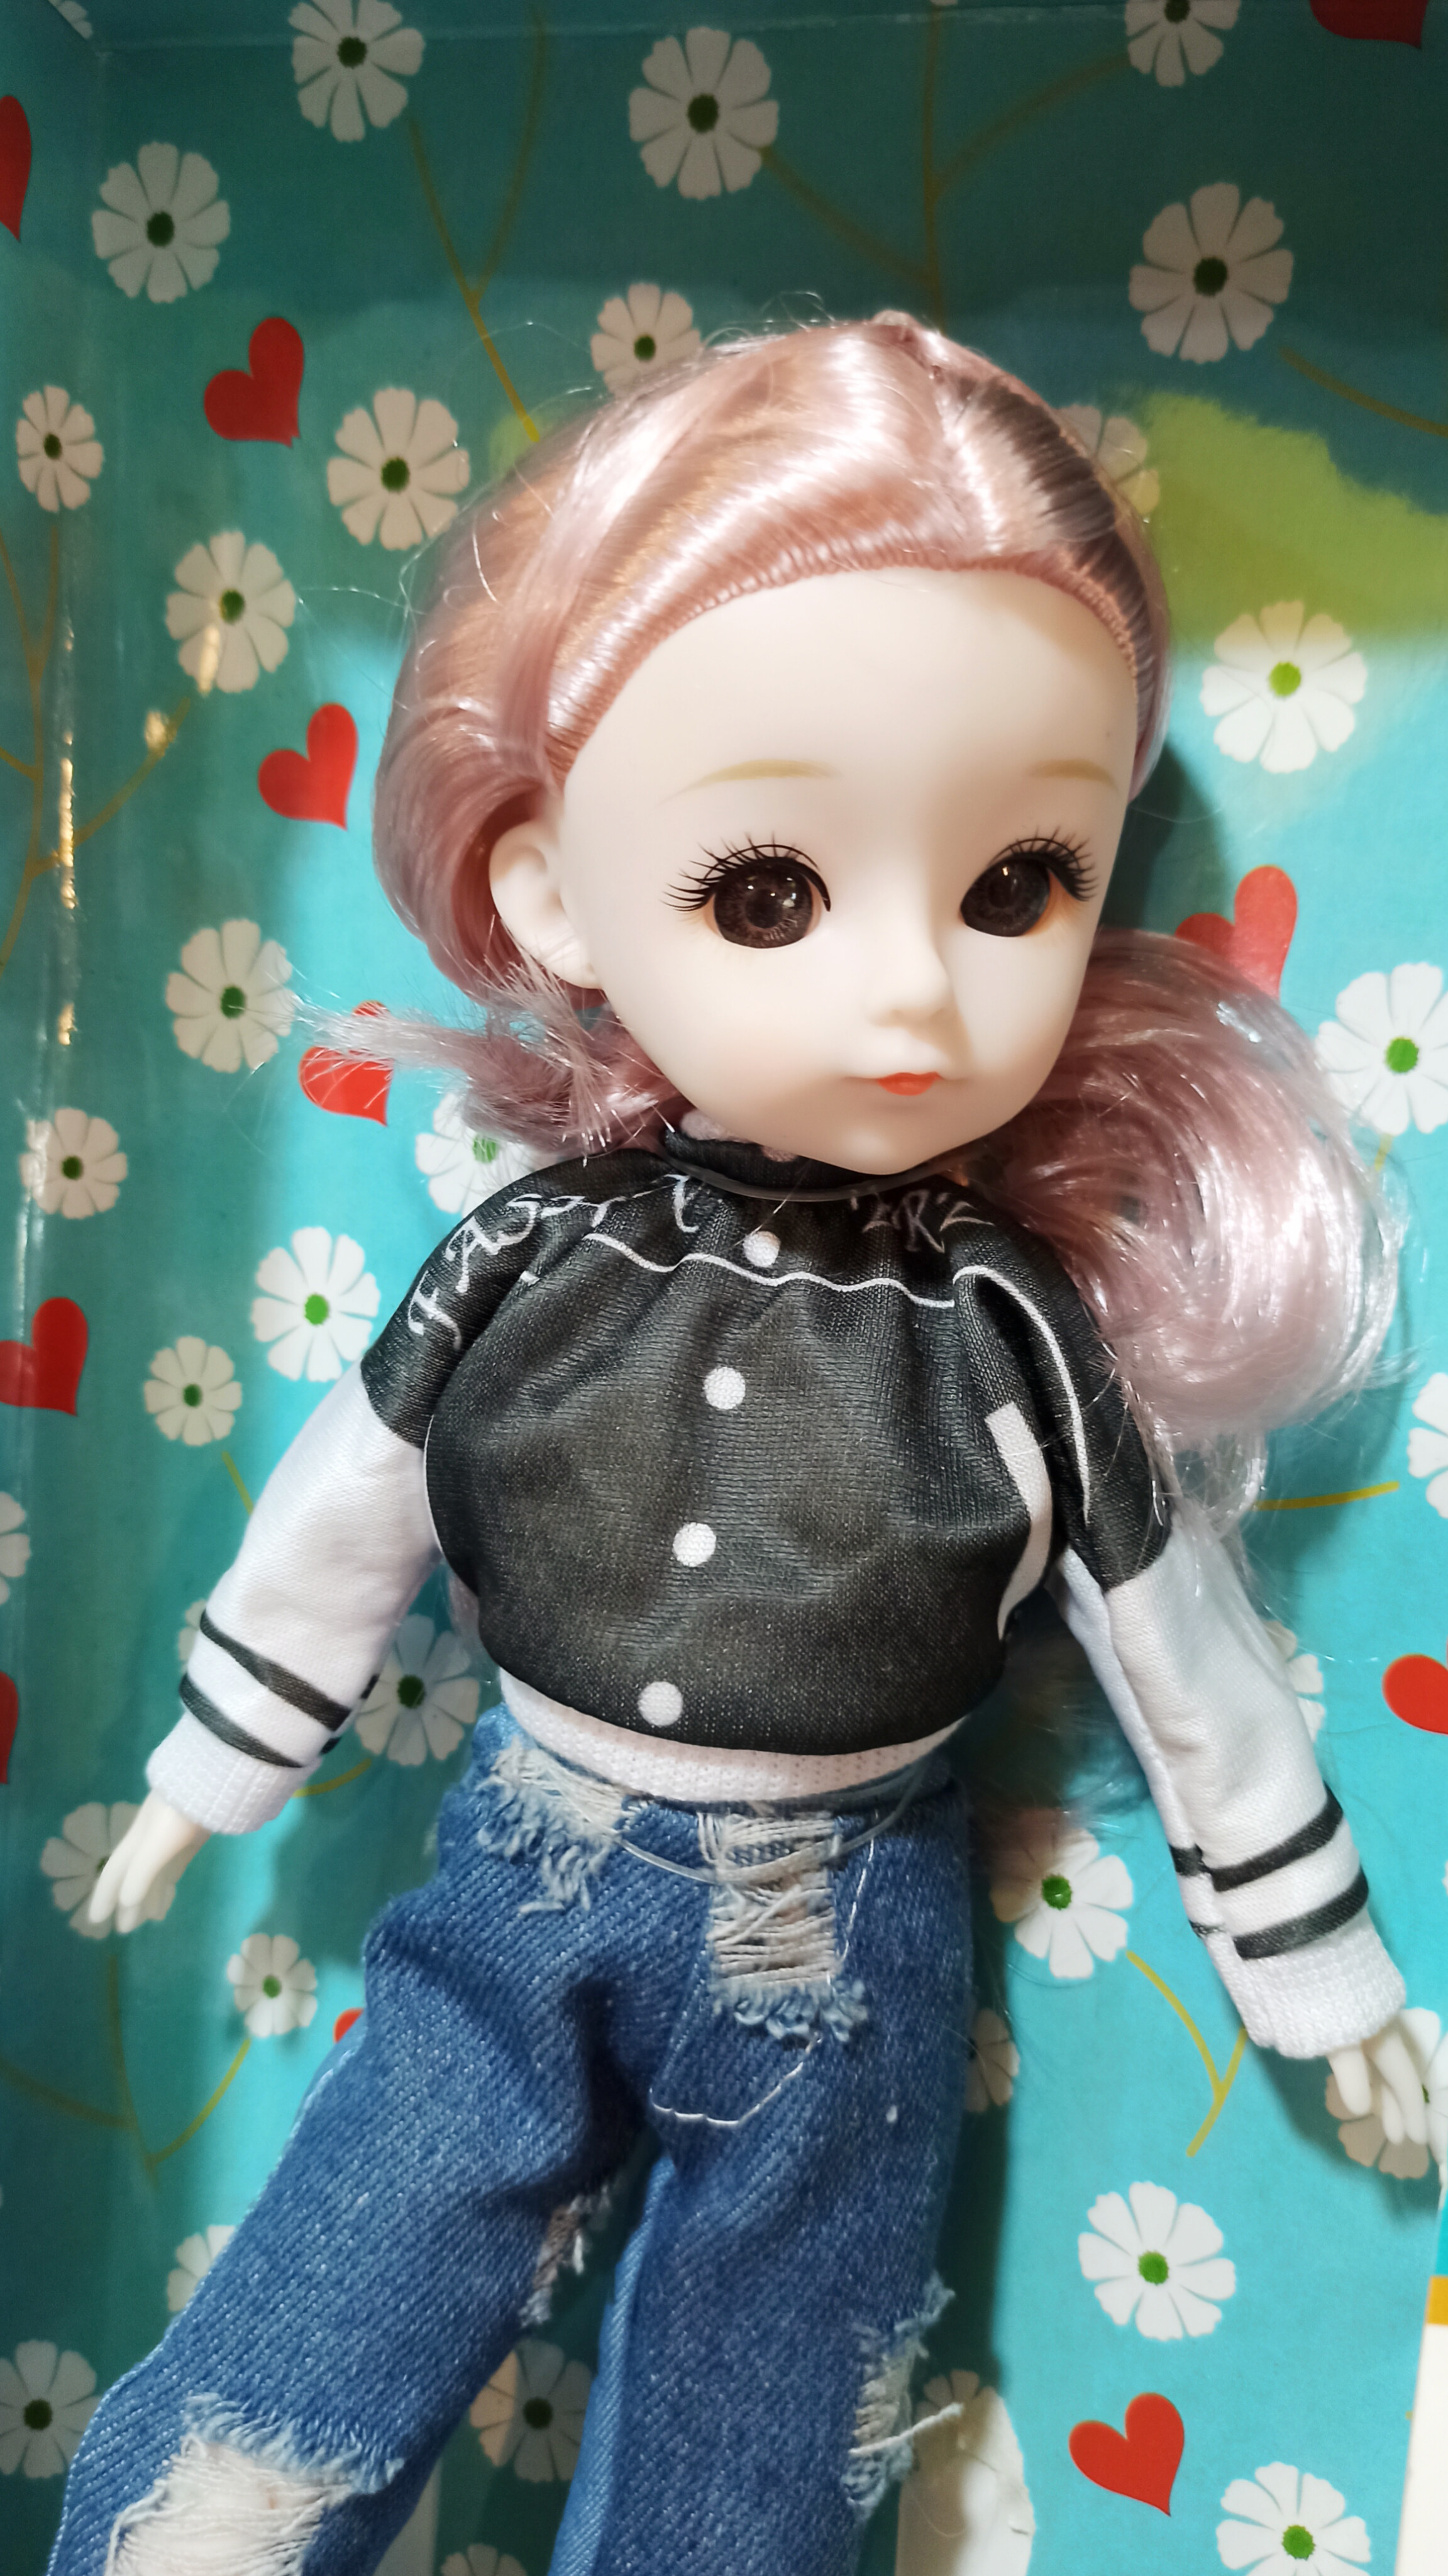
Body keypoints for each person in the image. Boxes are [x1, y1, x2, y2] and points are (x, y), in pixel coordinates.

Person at [51, 314, 1423, 2576]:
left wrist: (1313, 1953)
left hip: (845, 1952)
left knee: (755, 2463)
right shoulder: (523, 1263)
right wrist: (219, 1760)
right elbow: (346, 1510)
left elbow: (1181, 1645)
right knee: (288, 2375)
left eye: (1018, 884)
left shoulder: (1009, 1331)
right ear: (548, 893)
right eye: (768, 888)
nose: (911, 992)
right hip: (519, 1885)